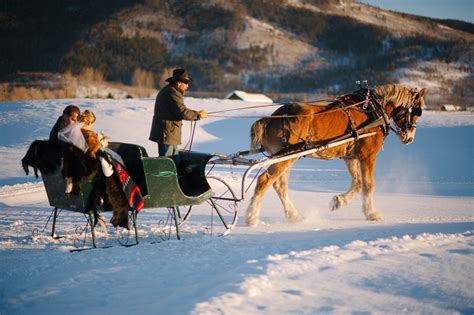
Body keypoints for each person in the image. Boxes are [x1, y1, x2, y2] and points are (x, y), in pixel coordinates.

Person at [149, 68, 208, 157]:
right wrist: (197, 115)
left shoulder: (170, 91)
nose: (187, 86)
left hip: (169, 133)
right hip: (167, 134)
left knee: (174, 160)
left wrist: (196, 114)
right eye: (186, 83)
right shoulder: (173, 93)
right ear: (179, 83)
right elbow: (182, 112)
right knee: (168, 163)